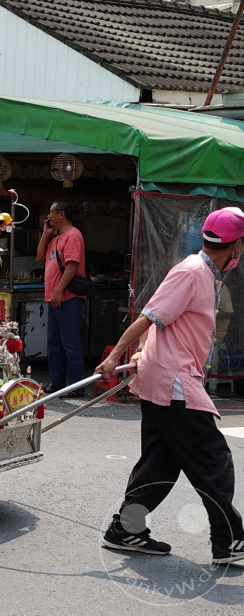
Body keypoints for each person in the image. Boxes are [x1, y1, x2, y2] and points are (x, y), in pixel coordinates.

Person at [97, 207, 244, 565]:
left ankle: (125, 529)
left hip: (165, 376)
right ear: (237, 245)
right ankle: (229, 542)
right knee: (213, 461)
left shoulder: (207, 274)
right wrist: (115, 355)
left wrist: (142, 355)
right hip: (175, 385)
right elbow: (151, 314)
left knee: (161, 461)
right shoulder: (192, 272)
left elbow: (167, 325)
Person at [36, 199, 87, 395]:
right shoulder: (57, 238)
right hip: (55, 297)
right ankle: (57, 382)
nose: (48, 216)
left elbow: (73, 265)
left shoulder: (73, 236)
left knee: (70, 342)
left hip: (68, 297)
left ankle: (76, 385)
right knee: (54, 343)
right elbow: (40, 256)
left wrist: (58, 290)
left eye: (51, 212)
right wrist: (46, 234)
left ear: (61, 214)